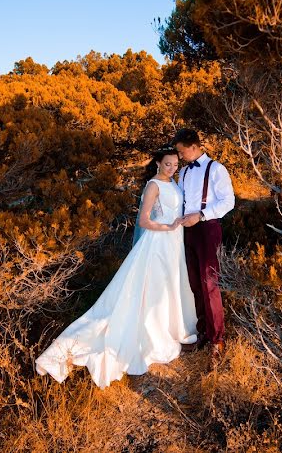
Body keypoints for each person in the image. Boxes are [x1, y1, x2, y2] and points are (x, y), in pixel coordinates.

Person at [35, 146, 198, 388]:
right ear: (158, 164)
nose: (172, 168)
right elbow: (144, 220)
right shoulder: (154, 185)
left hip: (173, 242)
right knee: (152, 288)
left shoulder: (173, 183)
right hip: (159, 242)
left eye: (175, 164)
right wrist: (167, 227)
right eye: (167, 164)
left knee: (169, 286)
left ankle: (170, 325)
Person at [172, 129, 235, 368]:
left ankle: (218, 341)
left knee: (210, 285)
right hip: (186, 231)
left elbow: (228, 201)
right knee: (194, 284)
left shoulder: (216, 169)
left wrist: (201, 215)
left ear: (194, 146)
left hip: (208, 229)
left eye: (181, 151)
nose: (179, 156)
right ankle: (203, 333)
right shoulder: (185, 171)